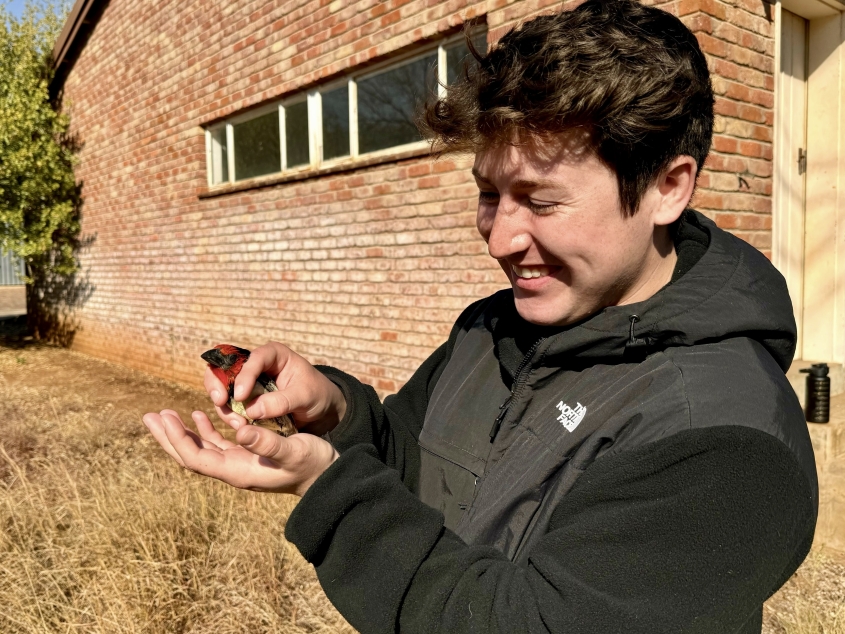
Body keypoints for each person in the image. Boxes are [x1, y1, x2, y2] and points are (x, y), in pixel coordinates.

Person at [143, 0, 818, 631]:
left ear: (666, 189)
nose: (499, 239)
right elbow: (414, 466)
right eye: (489, 194)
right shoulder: (490, 328)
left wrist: (327, 488)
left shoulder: (722, 437)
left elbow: (521, 619)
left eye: (541, 201)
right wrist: (335, 414)